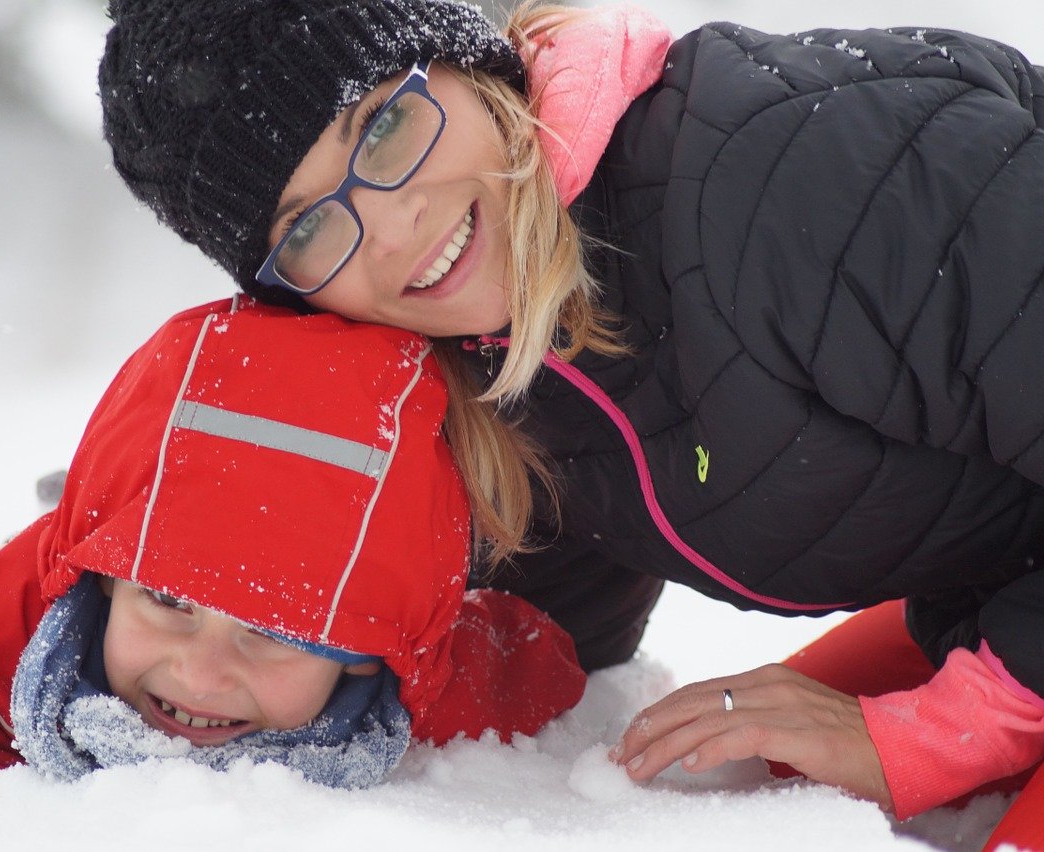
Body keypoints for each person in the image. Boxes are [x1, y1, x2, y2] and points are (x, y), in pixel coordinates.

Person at [95, 0, 1044, 840]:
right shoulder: (496, 357)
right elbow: (532, 632)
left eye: (383, 129)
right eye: (306, 229)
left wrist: (950, 730)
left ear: (465, 64)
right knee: (748, 772)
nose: (390, 227)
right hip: (996, 586)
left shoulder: (785, 177)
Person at [0, 297, 586, 819]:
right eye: (167, 601)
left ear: (373, 660)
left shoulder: (416, 684)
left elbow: (530, 662)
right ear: (107, 583)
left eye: (273, 633)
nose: (199, 676)